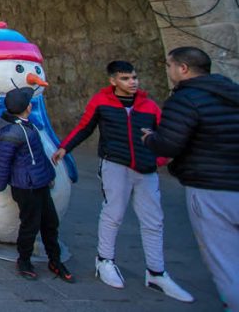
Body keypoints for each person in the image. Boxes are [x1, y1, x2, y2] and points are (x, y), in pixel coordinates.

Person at [52, 60, 192, 301]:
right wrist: (65, 148)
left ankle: (157, 271)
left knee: (153, 219)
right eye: (126, 78)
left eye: (134, 77)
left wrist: (160, 159)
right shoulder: (102, 102)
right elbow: (85, 127)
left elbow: (166, 134)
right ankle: (105, 260)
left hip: (145, 168)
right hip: (114, 163)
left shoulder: (148, 106)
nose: (132, 82)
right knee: (113, 213)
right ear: (113, 81)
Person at [141, 47, 239, 311]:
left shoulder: (186, 99)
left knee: (225, 261)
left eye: (170, 66)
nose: (169, 70)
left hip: (210, 186)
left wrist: (150, 138)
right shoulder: (233, 92)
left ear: (183, 68)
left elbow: (169, 144)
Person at [0, 87, 74, 282]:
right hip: (25, 186)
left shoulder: (27, 125)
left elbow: (38, 155)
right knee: (30, 224)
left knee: (50, 222)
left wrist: (48, 175)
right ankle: (24, 260)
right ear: (27, 107)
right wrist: (2, 184)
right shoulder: (13, 132)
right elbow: (0, 160)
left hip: (39, 182)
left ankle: (54, 260)